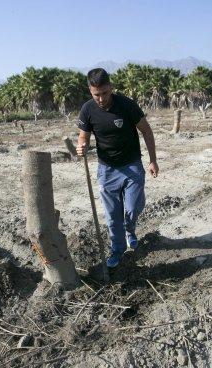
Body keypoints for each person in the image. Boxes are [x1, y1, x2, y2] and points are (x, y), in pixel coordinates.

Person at [76, 68, 159, 268]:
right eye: (97, 94)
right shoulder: (87, 109)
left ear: (110, 87)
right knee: (112, 215)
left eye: (105, 93)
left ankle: (130, 229)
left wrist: (153, 160)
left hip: (132, 166)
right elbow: (83, 136)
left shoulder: (127, 105)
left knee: (132, 208)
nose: (102, 99)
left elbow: (146, 131)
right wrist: (82, 146)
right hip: (107, 170)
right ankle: (117, 250)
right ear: (90, 91)